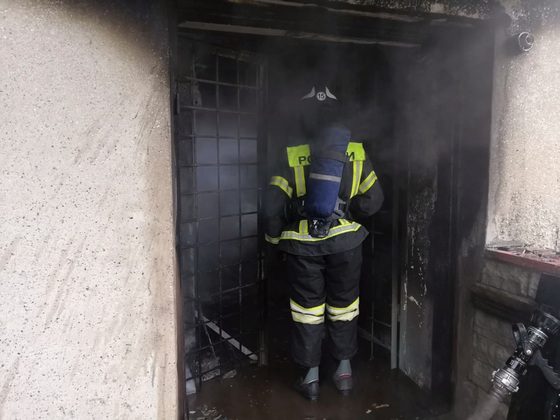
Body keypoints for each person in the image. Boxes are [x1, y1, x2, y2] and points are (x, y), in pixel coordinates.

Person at [263, 84, 384, 401]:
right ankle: (344, 373)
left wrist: (274, 243)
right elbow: (374, 200)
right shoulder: (356, 151)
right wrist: (348, 214)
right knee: (345, 306)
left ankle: (311, 377)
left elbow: (272, 206)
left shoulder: (291, 153)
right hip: (346, 244)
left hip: (302, 246)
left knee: (307, 311)